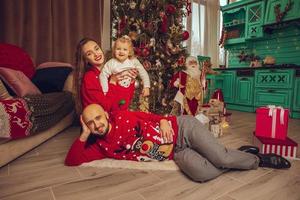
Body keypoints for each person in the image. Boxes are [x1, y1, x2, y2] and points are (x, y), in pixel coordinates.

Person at [65, 104, 291, 182]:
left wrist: (165, 120)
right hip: (176, 152)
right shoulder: (100, 146)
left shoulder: (124, 116)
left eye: (98, 118)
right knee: (202, 174)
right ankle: (235, 154)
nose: (96, 124)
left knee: (220, 158)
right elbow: (72, 160)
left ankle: (257, 159)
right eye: (90, 123)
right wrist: (84, 134)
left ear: (105, 114)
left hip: (182, 129)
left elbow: (154, 116)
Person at [73, 37, 138, 114]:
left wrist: (131, 82)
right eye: (89, 53)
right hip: (104, 121)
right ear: (85, 59)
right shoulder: (89, 77)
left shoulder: (110, 69)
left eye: (96, 49)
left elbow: (125, 101)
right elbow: (105, 107)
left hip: (119, 114)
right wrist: (113, 82)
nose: (96, 54)